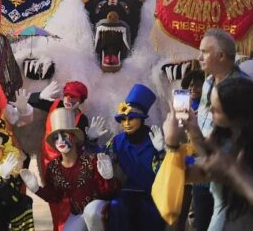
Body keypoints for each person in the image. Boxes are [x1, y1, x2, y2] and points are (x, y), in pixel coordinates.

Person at [163, 76, 253, 230]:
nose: (209, 109)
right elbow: (191, 171)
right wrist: (183, 136)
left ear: (237, 114)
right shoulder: (228, 140)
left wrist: (235, 175)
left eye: (216, 108)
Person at [20, 108, 119, 231]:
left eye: (64, 135)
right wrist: (37, 189)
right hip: (77, 214)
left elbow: (107, 193)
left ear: (74, 137)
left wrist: (108, 179)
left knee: (91, 212)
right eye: (56, 137)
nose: (60, 140)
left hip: (98, 209)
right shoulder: (53, 167)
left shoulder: (90, 160)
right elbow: (55, 196)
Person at [27, 79, 106, 230]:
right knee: (54, 199)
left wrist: (91, 139)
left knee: (67, 200)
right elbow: (30, 100)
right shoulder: (54, 104)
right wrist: (39, 95)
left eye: (74, 97)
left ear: (81, 100)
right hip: (47, 161)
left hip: (69, 162)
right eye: (67, 96)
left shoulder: (81, 119)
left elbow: (81, 144)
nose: (69, 99)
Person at [194, 28, 247, 231]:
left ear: (221, 56)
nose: (199, 57)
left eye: (204, 52)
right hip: (203, 166)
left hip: (227, 174)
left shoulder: (242, 88)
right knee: (200, 224)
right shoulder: (207, 82)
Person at [104, 84, 166, 231]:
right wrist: (91, 142)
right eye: (123, 119)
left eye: (131, 118)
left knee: (151, 213)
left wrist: (162, 152)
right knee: (116, 207)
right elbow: (100, 157)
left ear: (141, 119)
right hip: (129, 191)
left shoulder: (156, 138)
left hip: (154, 193)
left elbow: (166, 173)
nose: (126, 123)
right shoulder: (117, 141)